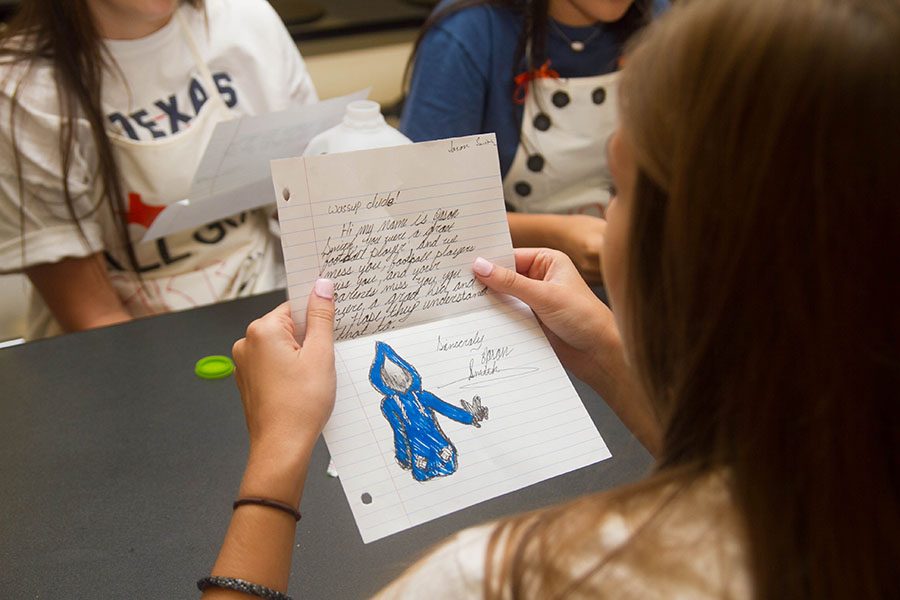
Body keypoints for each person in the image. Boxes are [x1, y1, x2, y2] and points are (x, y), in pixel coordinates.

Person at [202, 0, 899, 597]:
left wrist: (279, 454)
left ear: (683, 259)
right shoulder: (843, 503)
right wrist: (605, 352)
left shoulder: (502, 575)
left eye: (620, 188)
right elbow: (748, 493)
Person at [0, 0, 317, 339]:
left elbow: (308, 200)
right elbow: (95, 315)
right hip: (124, 338)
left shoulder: (244, 20)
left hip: (264, 303)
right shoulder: (23, 89)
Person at [400, 0, 667, 284]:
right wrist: (553, 235)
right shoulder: (468, 32)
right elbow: (424, 211)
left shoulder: (661, 19)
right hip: (506, 280)